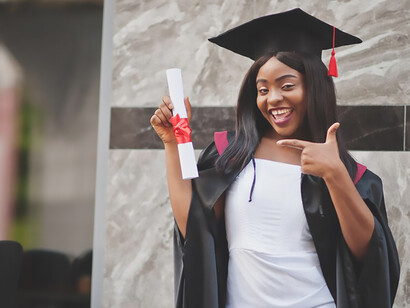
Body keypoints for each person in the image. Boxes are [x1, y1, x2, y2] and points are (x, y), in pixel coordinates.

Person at [150, 8, 400, 308]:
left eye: (287, 86)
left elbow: (369, 255)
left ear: (315, 87)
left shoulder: (351, 174)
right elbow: (194, 228)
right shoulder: (230, 154)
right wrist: (172, 143)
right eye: (263, 89)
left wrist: (335, 176)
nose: (273, 99)